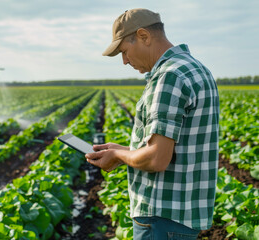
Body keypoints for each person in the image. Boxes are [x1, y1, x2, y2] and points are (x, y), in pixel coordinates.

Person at [85, 8, 220, 240]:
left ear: (144, 36)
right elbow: (176, 149)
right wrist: (124, 150)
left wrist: (118, 157)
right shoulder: (196, 69)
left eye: (125, 51)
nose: (125, 61)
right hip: (182, 215)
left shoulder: (170, 76)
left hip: (160, 217)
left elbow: (157, 159)